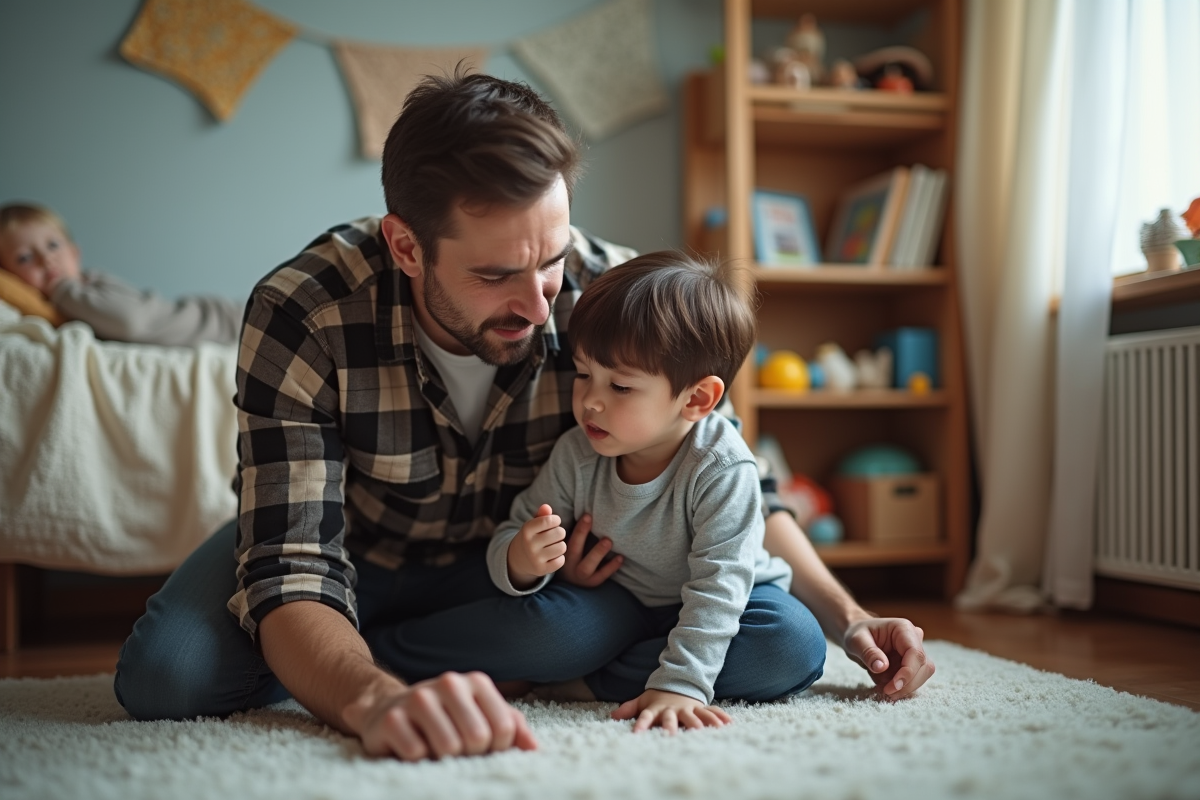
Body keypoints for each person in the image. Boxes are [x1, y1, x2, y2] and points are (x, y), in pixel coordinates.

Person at [114, 69, 934, 763]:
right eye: (498, 274)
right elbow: (292, 561)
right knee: (169, 681)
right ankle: (368, 658)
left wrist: (853, 618)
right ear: (406, 247)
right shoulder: (307, 311)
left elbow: (736, 481)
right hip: (346, 551)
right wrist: (367, 701)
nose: (541, 303)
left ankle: (489, 660)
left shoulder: (612, 292)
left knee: (774, 640)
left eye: (551, 257)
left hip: (520, 573)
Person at [489, 252, 819, 733]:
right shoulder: (576, 454)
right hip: (616, 604)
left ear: (697, 399)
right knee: (550, 632)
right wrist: (521, 560)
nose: (591, 400)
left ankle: (586, 681)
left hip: (733, 603)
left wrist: (681, 683)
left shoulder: (721, 467)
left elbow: (720, 587)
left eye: (620, 386)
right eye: (584, 375)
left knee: (791, 644)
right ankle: (390, 647)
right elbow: (515, 528)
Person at [0, 202, 242, 346]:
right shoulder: (55, 309)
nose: (46, 259)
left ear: (75, 254)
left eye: (53, 245)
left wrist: (61, 289)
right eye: (25, 258)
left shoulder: (92, 283)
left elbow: (129, 322)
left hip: (222, 320)